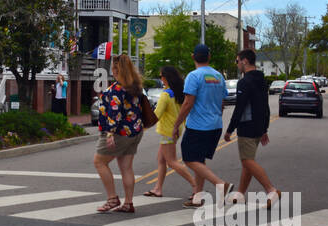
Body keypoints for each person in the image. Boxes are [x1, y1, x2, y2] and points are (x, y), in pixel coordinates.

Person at [172, 43, 233, 207]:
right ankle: (197, 197)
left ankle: (221, 185)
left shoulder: (194, 76)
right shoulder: (219, 76)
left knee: (189, 159)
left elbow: (187, 103)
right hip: (215, 125)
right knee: (199, 160)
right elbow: (221, 102)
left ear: (193, 57)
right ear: (209, 57)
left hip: (198, 126)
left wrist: (176, 124)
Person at [224, 48, 280, 209]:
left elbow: (240, 107)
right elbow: (264, 105)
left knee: (247, 161)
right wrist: (264, 128)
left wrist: (230, 129)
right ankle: (240, 194)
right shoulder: (262, 79)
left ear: (245, 61)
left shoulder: (245, 82)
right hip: (258, 126)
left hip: (247, 126)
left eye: (237, 61)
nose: (237, 65)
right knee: (248, 161)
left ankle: (271, 190)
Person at [92, 53, 146, 214]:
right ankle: (128, 203)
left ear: (116, 70)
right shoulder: (135, 87)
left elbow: (114, 113)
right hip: (135, 131)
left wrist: (109, 134)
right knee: (126, 167)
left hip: (118, 133)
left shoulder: (116, 89)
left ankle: (112, 198)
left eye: (113, 68)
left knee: (99, 162)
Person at [143, 65, 195, 199]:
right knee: (161, 159)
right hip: (177, 128)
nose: (160, 79)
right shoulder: (179, 92)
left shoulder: (165, 95)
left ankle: (196, 187)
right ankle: (158, 189)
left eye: (161, 76)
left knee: (171, 162)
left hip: (168, 131)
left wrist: (142, 124)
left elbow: (156, 115)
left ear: (166, 78)